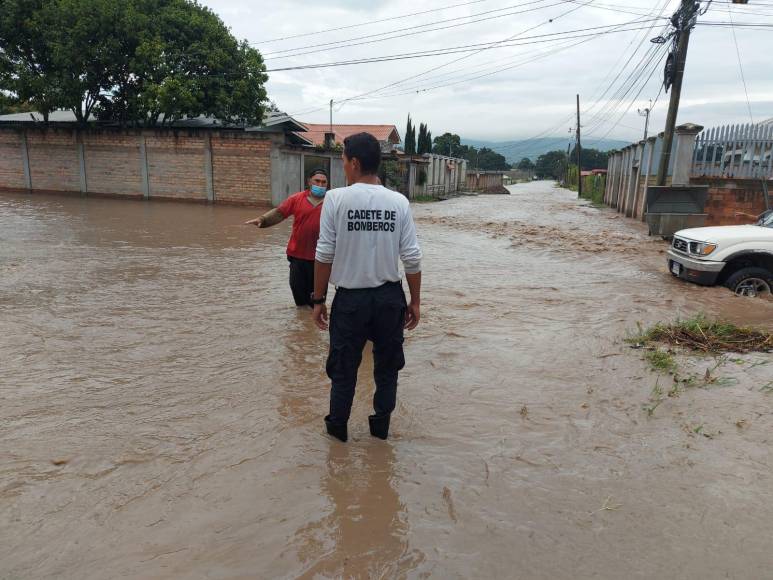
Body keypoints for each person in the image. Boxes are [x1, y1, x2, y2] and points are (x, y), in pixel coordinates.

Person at [311, 132, 422, 442]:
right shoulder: (398, 202)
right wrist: (415, 301)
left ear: (355, 163)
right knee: (387, 369)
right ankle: (380, 432)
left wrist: (318, 299)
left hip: (350, 302)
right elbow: (412, 258)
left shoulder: (335, 198)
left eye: (344, 160)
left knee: (343, 371)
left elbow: (324, 254)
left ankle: (337, 435)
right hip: (389, 300)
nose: (343, 167)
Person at [245, 169, 328, 307]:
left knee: (318, 300)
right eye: (317, 181)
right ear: (309, 182)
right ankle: (303, 324)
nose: (320, 184)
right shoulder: (297, 198)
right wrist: (262, 220)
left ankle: (313, 323)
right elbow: (279, 213)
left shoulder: (332, 201)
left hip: (321, 258)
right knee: (299, 297)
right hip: (298, 257)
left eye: (323, 182)